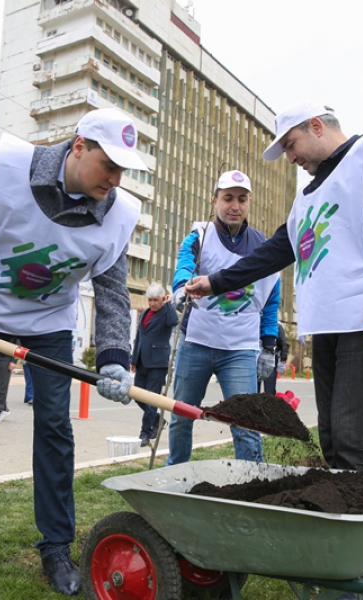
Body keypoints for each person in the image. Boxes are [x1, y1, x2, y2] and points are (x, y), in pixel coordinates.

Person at [0, 107, 148, 596]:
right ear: (78, 146)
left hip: (49, 327)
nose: (116, 180)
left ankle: (56, 545)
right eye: (108, 165)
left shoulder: (120, 213)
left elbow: (113, 291)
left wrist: (116, 357)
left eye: (125, 170)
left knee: (56, 430)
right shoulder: (11, 168)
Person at [187, 103, 363, 479]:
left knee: (357, 436)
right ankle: (340, 524)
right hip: (329, 322)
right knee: (333, 434)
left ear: (317, 127)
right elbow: (277, 250)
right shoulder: (309, 193)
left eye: (291, 145)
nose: (290, 158)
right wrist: (216, 282)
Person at [166, 169, 281, 466]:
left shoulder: (264, 246)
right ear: (215, 200)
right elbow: (184, 266)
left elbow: (270, 299)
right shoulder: (200, 236)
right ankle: (175, 473)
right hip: (196, 344)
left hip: (241, 349)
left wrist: (268, 346)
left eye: (242, 199)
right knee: (182, 416)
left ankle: (252, 478)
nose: (235, 206)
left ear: (249, 202)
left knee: (245, 422)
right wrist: (180, 288)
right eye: (228, 198)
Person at [130, 283, 178, 446]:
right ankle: (157, 419)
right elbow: (139, 337)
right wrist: (133, 360)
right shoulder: (144, 313)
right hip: (142, 361)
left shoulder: (166, 313)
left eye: (155, 300)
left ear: (162, 299)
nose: (152, 303)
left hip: (157, 363)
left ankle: (145, 432)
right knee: (137, 396)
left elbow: (174, 321)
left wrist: (169, 303)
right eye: (149, 300)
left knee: (151, 399)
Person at [261, 321, 290, 394]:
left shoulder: (277, 325)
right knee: (253, 389)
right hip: (256, 357)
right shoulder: (255, 321)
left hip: (271, 356)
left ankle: (269, 403)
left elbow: (284, 343)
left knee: (270, 389)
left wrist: (283, 358)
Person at [0, 354, 18, 424]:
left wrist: (14, 361)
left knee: (2, 386)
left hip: (6, 358)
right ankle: (4, 408)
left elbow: (18, 344)